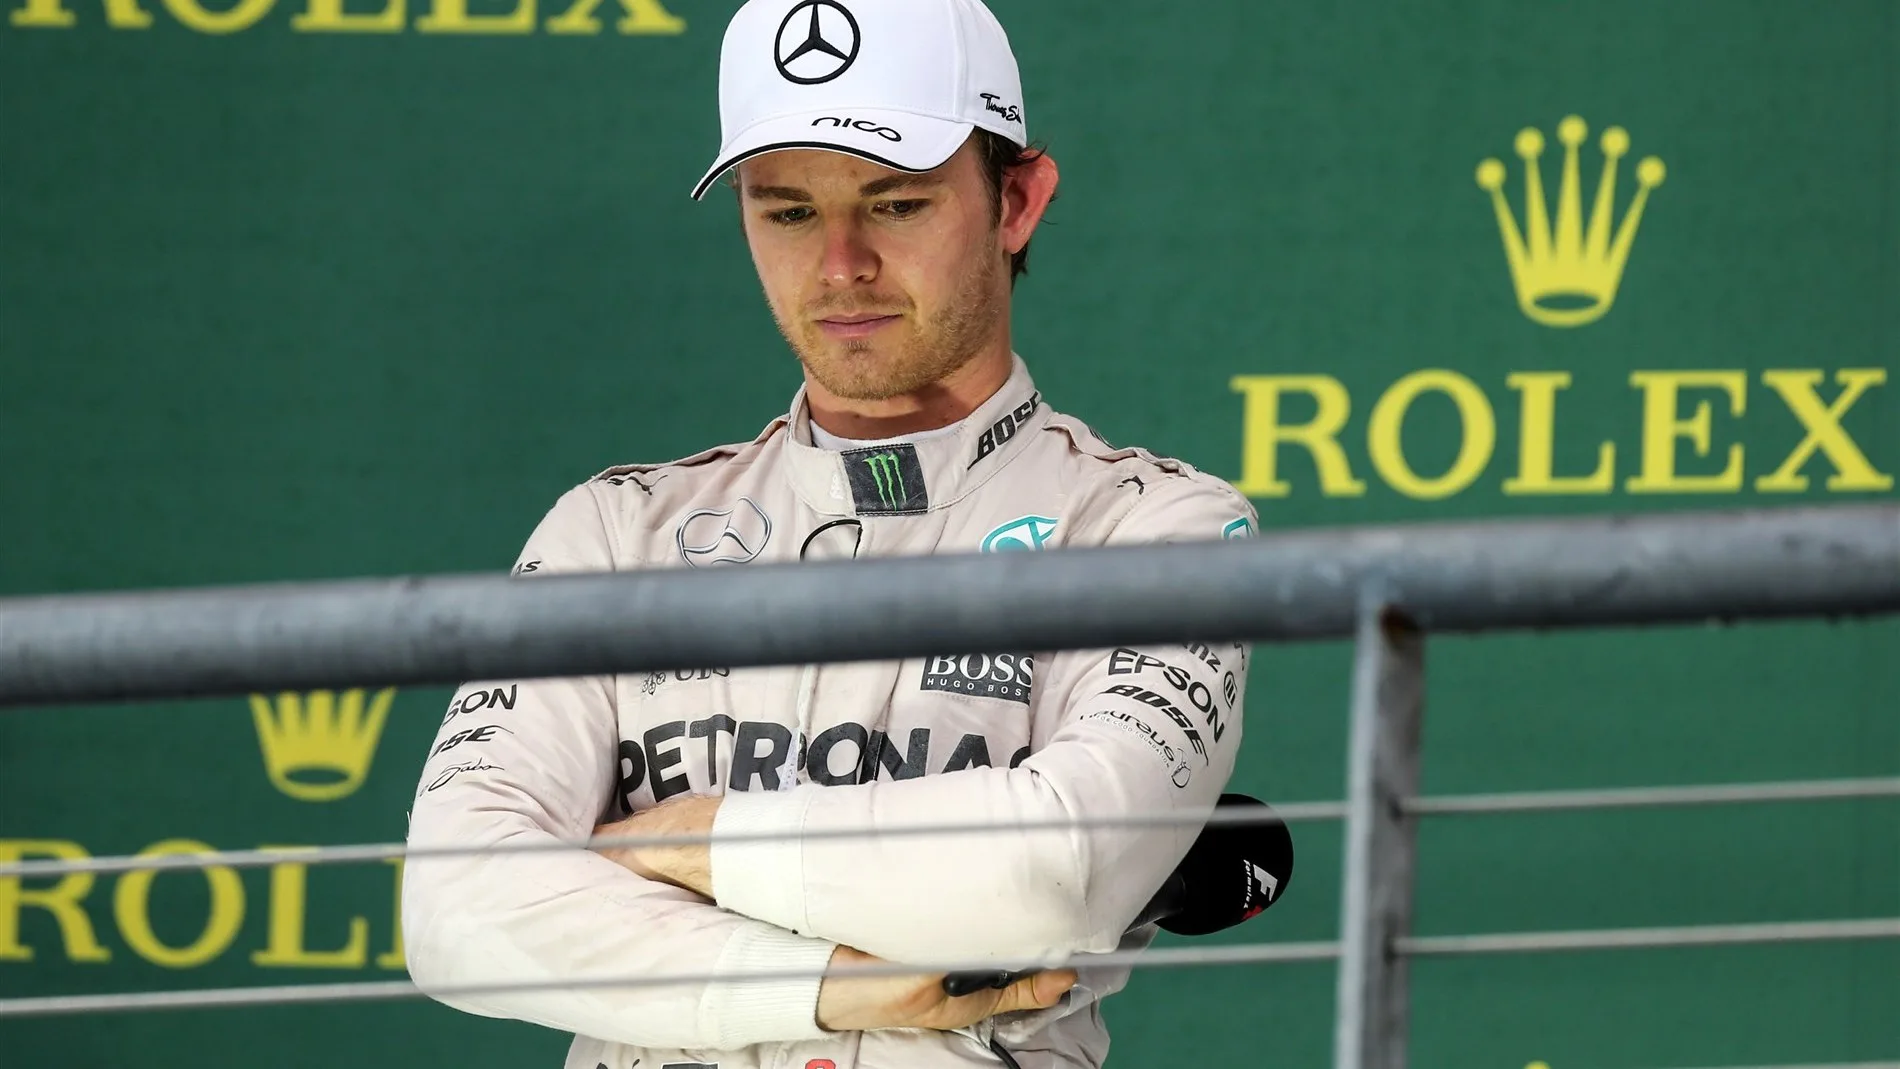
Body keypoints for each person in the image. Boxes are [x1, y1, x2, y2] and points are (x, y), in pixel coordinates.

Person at [402, 1, 1259, 1066]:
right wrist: (837, 985)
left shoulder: (1157, 526)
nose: (841, 263)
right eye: (788, 212)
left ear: (1018, 201)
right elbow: (456, 911)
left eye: (895, 204)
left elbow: (1058, 871)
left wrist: (688, 839)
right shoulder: (613, 529)